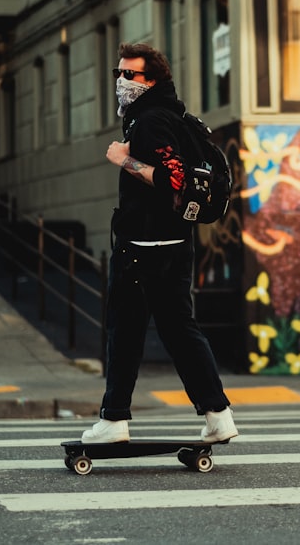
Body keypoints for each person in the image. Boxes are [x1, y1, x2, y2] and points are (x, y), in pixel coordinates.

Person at [80, 42, 239, 444]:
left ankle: (114, 420)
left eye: (129, 75)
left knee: (126, 329)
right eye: (118, 73)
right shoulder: (168, 115)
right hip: (174, 241)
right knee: (179, 329)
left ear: (151, 80)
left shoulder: (151, 120)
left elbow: (175, 181)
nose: (121, 81)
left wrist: (124, 160)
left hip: (144, 244)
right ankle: (218, 416)